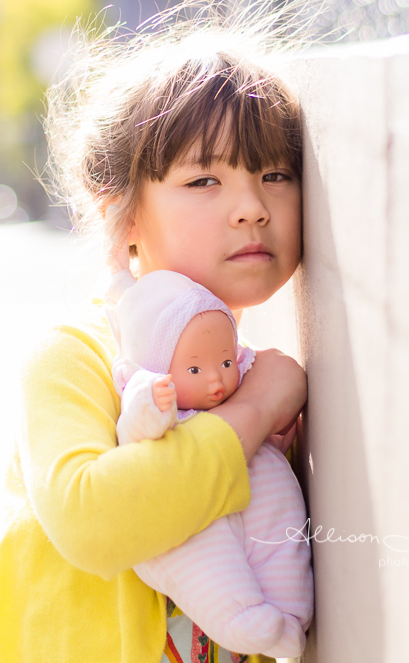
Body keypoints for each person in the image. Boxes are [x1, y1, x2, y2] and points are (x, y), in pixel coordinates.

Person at [0, 0, 309, 663]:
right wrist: (257, 411)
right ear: (122, 219)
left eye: (275, 174)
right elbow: (93, 520)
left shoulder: (247, 359)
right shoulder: (77, 356)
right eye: (203, 178)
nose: (251, 208)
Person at [106, 268, 313, 658]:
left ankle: (291, 614)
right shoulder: (154, 396)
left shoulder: (243, 393)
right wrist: (152, 402)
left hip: (254, 505)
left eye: (225, 362)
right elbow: (135, 428)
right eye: (195, 370)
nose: (216, 381)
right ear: (157, 369)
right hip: (192, 523)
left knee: (281, 539)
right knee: (210, 565)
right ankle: (244, 621)